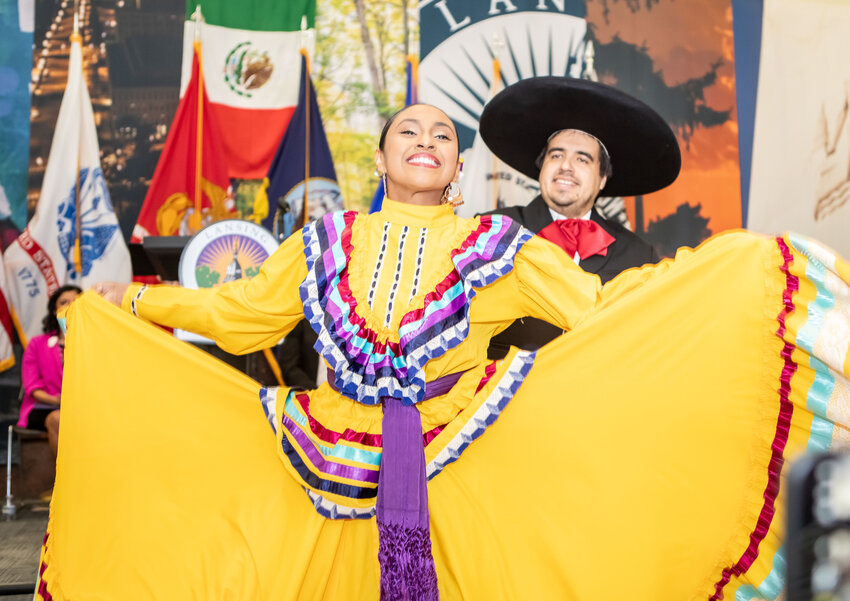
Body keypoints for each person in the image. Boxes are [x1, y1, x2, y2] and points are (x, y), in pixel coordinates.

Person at [34, 103, 850, 601]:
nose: (425, 138)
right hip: (316, 462)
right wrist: (133, 299)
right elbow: (243, 314)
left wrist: (722, 281)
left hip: (457, 465)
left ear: (457, 168)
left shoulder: (498, 245)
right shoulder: (324, 241)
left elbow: (595, 308)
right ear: (384, 158)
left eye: (442, 135)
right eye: (407, 131)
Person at [482, 77, 674, 357]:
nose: (566, 167)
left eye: (583, 159)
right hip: (509, 394)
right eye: (556, 156)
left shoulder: (639, 256)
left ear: (602, 179)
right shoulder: (492, 231)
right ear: (542, 167)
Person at [17, 285, 81, 457]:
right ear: (54, 310)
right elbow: (32, 386)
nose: (69, 305)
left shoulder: (93, 343)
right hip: (44, 406)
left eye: (75, 301)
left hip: (82, 407)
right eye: (63, 302)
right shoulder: (37, 344)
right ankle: (64, 479)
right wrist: (57, 400)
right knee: (58, 419)